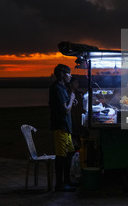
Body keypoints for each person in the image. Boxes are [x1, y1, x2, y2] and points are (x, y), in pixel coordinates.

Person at [49, 64, 76, 192]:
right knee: (61, 157)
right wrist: (71, 99)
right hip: (60, 126)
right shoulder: (57, 88)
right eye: (68, 73)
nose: (70, 76)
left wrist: (71, 100)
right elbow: (65, 109)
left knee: (69, 153)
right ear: (61, 74)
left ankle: (67, 181)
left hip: (66, 127)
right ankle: (59, 185)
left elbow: (66, 104)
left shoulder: (62, 88)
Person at [68, 77, 86, 150]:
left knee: (79, 134)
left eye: (77, 83)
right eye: (75, 83)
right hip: (72, 117)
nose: (77, 85)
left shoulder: (79, 94)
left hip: (79, 117)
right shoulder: (68, 94)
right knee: (73, 135)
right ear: (70, 84)